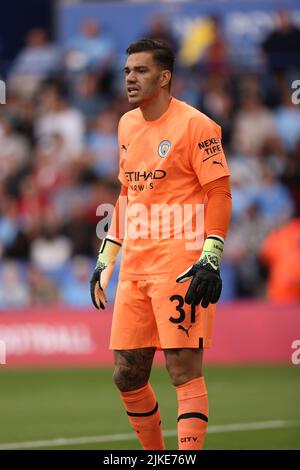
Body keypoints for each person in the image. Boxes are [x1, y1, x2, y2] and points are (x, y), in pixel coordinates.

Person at [90, 39, 232, 450]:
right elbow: (127, 195)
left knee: (181, 368)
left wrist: (211, 254)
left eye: (141, 71)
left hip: (181, 260)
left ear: (165, 76)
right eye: (127, 71)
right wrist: (106, 257)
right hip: (136, 264)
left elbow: (219, 192)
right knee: (127, 374)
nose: (130, 78)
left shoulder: (195, 125)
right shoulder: (126, 125)